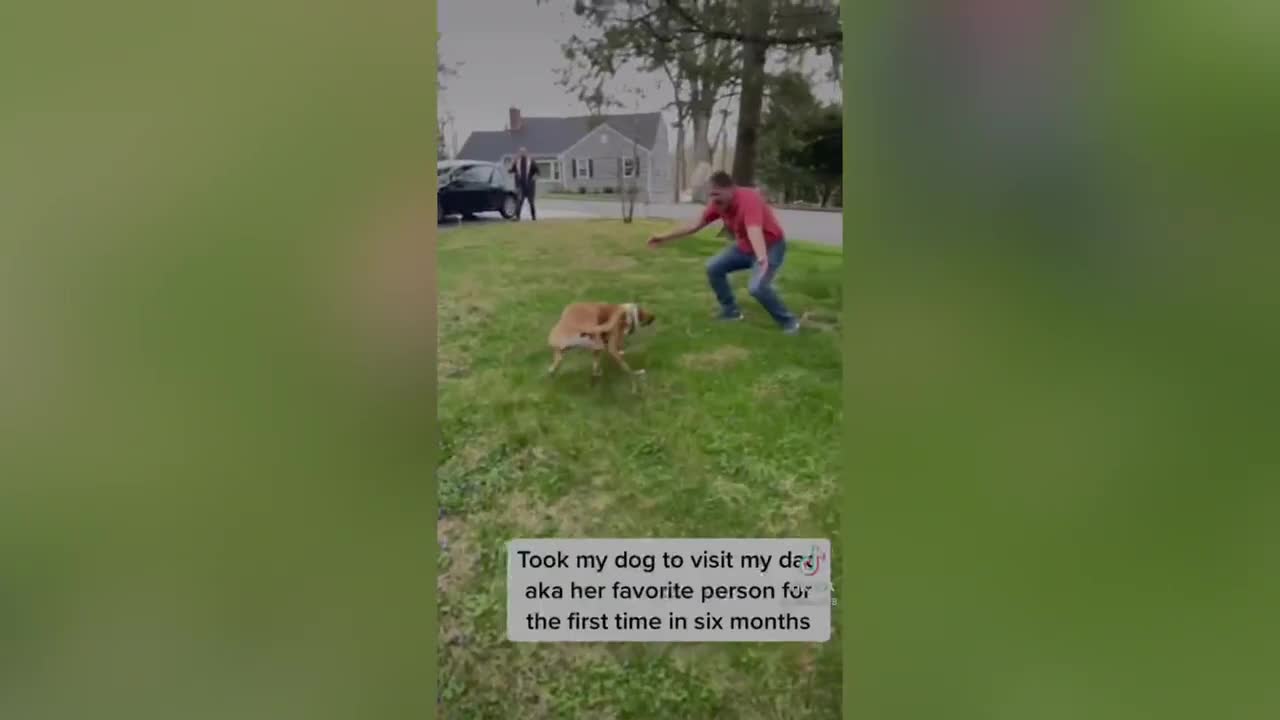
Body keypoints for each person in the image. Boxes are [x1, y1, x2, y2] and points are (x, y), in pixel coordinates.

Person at [647, 171, 800, 334]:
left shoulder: (749, 199)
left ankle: (789, 322)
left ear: (730, 189)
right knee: (713, 267)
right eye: (711, 195)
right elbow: (694, 226)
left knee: (757, 288)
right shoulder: (718, 204)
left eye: (716, 194)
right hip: (745, 247)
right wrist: (663, 237)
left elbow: (753, 228)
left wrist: (762, 258)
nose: (713, 200)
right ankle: (731, 312)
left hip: (770, 247)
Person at [508, 147, 539, 221]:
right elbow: (511, 170)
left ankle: (534, 217)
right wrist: (512, 163)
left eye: (523, 152)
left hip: (529, 185)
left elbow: (537, 171)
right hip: (520, 185)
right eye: (521, 152)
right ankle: (517, 217)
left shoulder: (530, 161)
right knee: (519, 201)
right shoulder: (517, 162)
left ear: (526, 153)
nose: (522, 154)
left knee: (531, 202)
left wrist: (533, 179)